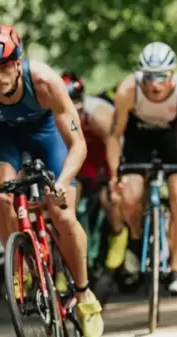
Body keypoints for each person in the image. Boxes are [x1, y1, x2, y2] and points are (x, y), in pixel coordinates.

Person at [0, 24, 104, 337]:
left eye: (5, 66)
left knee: (62, 214)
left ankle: (84, 292)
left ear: (18, 61)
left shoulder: (45, 82)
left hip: (46, 136)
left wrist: (62, 182)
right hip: (3, 139)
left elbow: (78, 145)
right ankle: (18, 260)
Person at [107, 41, 177, 296]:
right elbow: (115, 135)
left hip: (170, 140)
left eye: (162, 76)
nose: (155, 84)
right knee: (130, 197)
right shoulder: (128, 90)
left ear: (172, 74)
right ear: (141, 74)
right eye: (149, 76)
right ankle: (136, 240)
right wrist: (115, 173)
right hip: (138, 139)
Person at [62, 71, 127, 271]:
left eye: (76, 101)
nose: (74, 107)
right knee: (66, 202)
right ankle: (67, 262)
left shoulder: (98, 115)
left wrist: (114, 177)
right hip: (81, 160)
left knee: (109, 200)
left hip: (107, 157)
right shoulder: (57, 114)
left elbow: (114, 145)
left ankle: (118, 235)